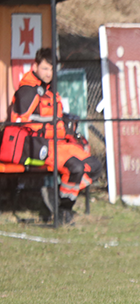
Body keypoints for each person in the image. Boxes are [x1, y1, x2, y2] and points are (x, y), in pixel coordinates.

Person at [7, 47, 99, 223]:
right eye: (45, 68)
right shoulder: (28, 90)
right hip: (37, 145)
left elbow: (55, 117)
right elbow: (18, 120)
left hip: (59, 143)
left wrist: (64, 121)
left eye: (52, 69)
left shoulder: (49, 90)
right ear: (35, 67)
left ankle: (57, 196)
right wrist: (50, 120)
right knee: (76, 168)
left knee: (94, 166)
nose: (49, 73)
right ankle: (63, 211)